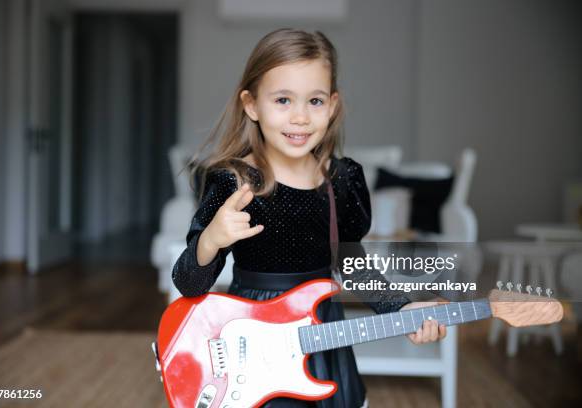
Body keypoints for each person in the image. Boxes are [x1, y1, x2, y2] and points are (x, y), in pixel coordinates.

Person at [172, 28, 446, 408]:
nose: (300, 117)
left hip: (324, 333)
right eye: (283, 100)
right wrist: (211, 239)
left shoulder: (343, 178)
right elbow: (188, 283)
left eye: (314, 101)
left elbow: (351, 265)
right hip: (255, 341)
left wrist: (400, 308)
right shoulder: (232, 182)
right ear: (252, 105)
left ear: (332, 105)